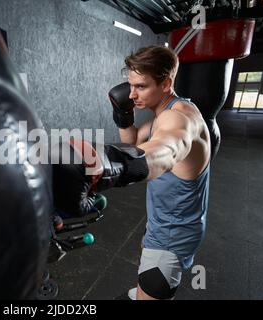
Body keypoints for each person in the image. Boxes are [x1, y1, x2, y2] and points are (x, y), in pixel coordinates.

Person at [108, 45, 211, 300]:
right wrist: (124, 116)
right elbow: (133, 143)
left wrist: (108, 170)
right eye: (130, 85)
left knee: (152, 287)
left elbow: (166, 149)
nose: (131, 94)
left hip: (172, 234)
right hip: (165, 223)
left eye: (140, 86)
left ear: (166, 84)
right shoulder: (161, 115)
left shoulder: (179, 119)